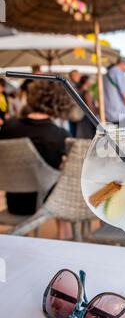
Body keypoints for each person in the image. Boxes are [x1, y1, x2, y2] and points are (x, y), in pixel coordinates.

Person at [0, 80, 73, 238]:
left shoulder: (7, 127)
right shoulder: (60, 135)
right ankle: (65, 238)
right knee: (63, 177)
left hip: (15, 203)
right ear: (59, 102)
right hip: (47, 206)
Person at [104, 56, 125, 125]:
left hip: (109, 113)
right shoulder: (118, 73)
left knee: (116, 135)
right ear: (123, 63)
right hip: (120, 112)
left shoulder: (107, 74)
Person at [68, 70, 82, 136]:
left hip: (73, 112)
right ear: (73, 76)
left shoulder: (74, 85)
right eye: (78, 75)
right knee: (72, 131)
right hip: (72, 112)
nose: (79, 77)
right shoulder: (70, 85)